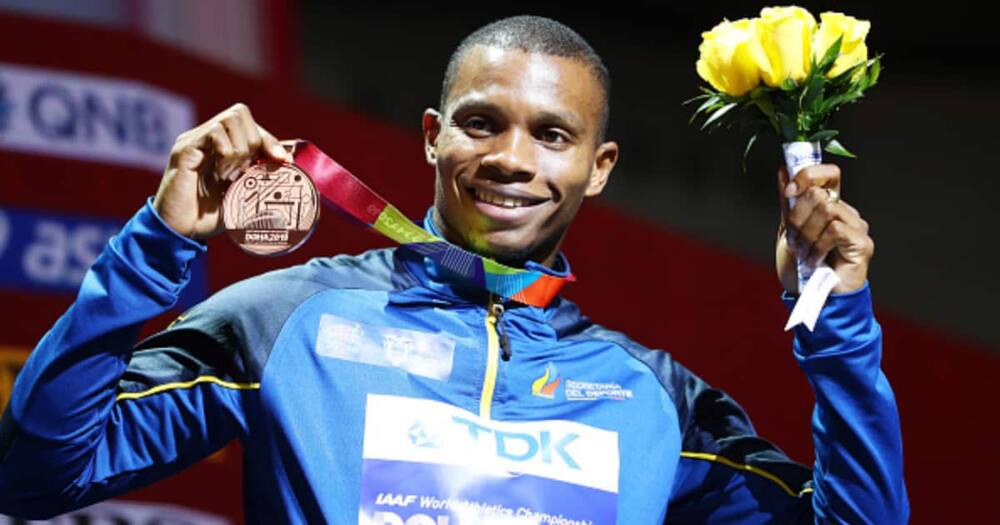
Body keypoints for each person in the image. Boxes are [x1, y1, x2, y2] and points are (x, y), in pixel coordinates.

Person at [0, 14, 908, 524]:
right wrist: (159, 244)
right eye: (483, 122)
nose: (514, 159)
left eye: (553, 135)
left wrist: (836, 319)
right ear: (433, 139)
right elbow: (39, 471)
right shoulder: (286, 322)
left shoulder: (653, 397)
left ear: (599, 169)